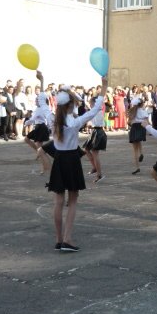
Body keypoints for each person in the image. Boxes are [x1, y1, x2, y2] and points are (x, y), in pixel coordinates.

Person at [48, 79, 106, 252]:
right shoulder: (74, 122)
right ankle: (67, 239)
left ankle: (59, 240)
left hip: (59, 159)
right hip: (71, 159)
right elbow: (95, 110)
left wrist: (43, 81)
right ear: (70, 105)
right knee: (73, 200)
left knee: (58, 201)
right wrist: (104, 87)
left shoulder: (53, 118)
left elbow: (44, 103)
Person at [84, 95, 108, 183]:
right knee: (87, 149)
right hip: (96, 132)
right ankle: (95, 168)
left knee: (95, 153)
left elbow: (94, 123)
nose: (89, 104)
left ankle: (99, 174)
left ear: (94, 103)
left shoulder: (97, 111)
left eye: (90, 103)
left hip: (98, 132)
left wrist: (90, 124)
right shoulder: (96, 110)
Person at [127, 97, 148, 174]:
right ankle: (141, 153)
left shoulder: (132, 111)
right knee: (139, 141)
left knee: (135, 150)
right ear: (142, 104)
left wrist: (131, 123)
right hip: (141, 127)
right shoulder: (143, 111)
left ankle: (137, 167)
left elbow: (129, 122)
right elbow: (147, 121)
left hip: (134, 127)